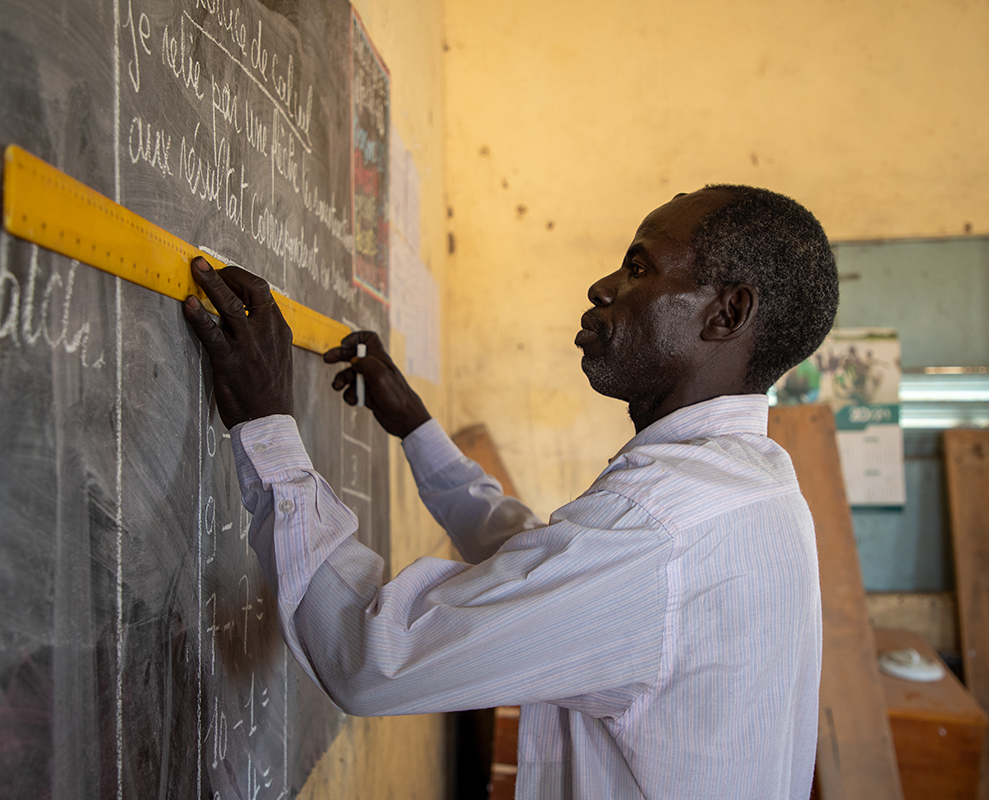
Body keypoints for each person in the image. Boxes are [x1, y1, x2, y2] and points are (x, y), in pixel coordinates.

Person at [181, 184, 839, 799]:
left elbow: (373, 658)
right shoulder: (757, 488)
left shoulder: (659, 528)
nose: (603, 287)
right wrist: (417, 429)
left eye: (639, 269)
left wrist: (265, 426)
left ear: (726, 313)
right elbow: (543, 568)